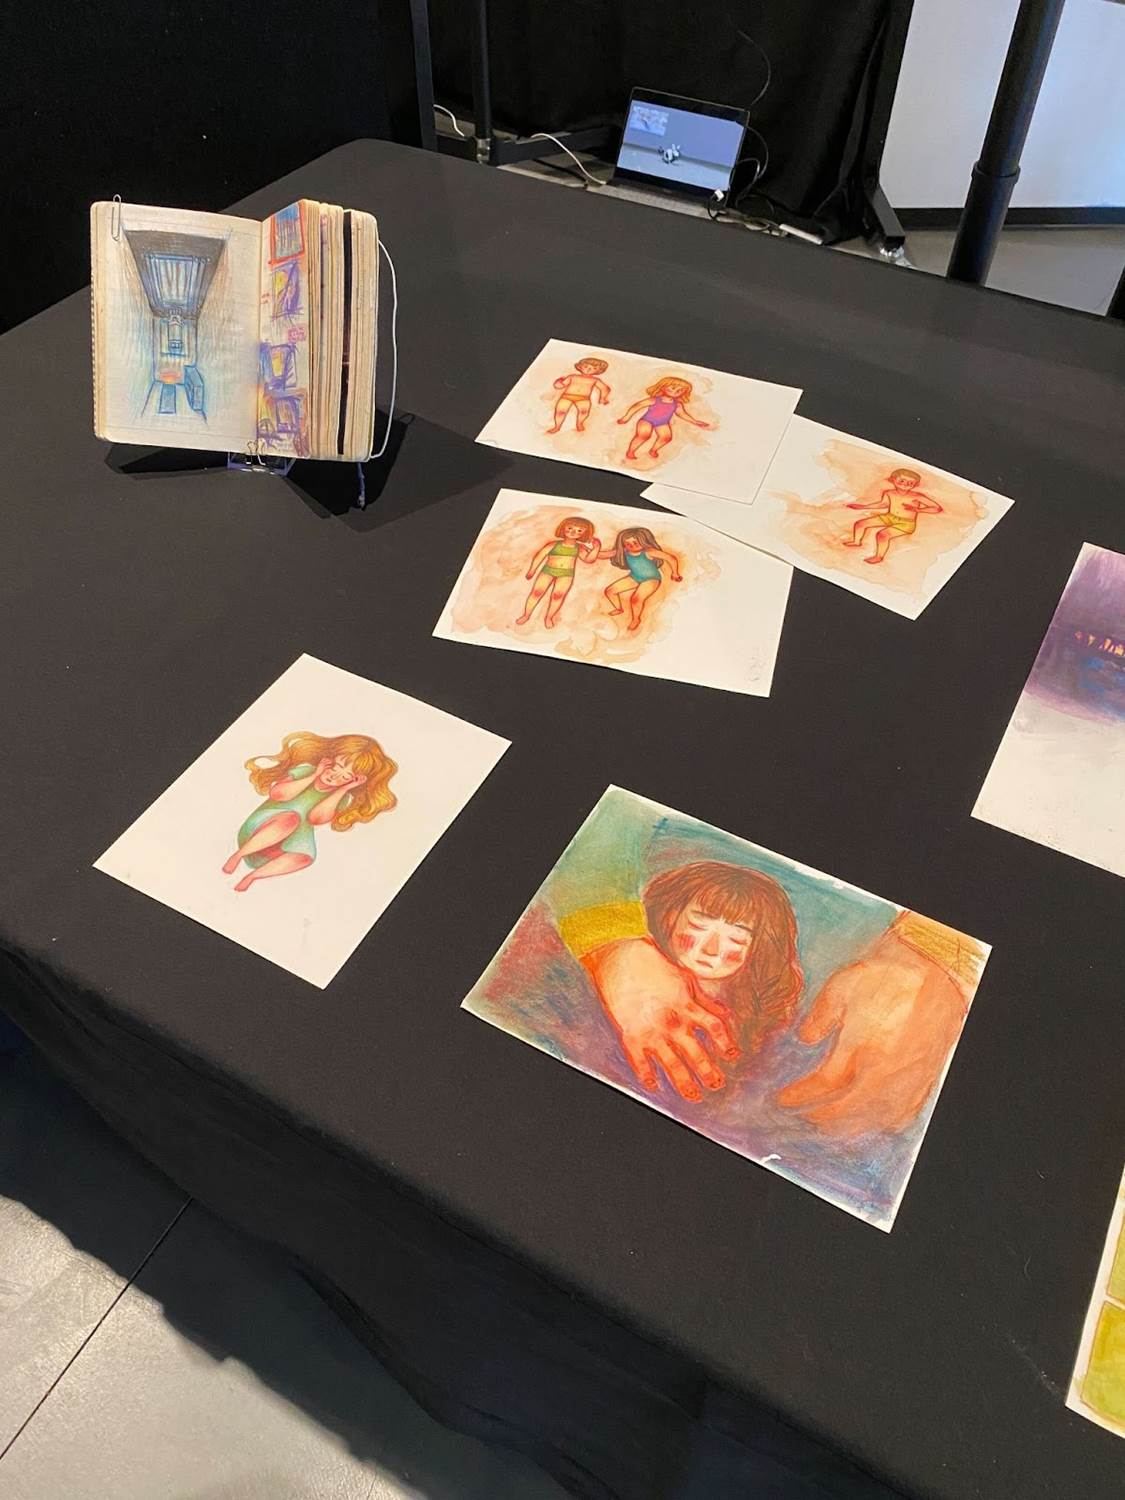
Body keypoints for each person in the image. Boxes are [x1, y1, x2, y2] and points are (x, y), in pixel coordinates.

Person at [222, 731, 397, 891]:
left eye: (346, 776)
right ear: (328, 758)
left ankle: (253, 876)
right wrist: (314, 776)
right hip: (258, 831)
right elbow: (278, 794)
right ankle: (238, 855)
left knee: (305, 857)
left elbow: (316, 818)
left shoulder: (340, 797)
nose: (335, 776)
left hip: (280, 849)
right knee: (290, 819)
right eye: (336, 767)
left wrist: (344, 789)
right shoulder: (306, 770)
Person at [842, 467, 942, 564]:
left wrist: (918, 510)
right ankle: (856, 542)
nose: (905, 485)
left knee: (882, 535)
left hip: (906, 524)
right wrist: (862, 507)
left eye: (910, 483)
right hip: (889, 517)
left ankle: (879, 556)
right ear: (893, 480)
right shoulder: (889, 493)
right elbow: (883, 504)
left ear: (915, 485)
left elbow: (936, 508)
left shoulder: (917, 496)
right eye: (902, 481)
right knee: (860, 523)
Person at [517, 516, 601, 629]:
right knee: (536, 592)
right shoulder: (553, 544)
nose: (573, 532)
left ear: (584, 533)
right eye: (570, 528)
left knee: (558, 596)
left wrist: (596, 548)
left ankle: (549, 617)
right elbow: (540, 556)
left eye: (579, 530)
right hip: (548, 571)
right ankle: (526, 615)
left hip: (566, 574)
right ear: (563, 528)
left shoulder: (579, 547)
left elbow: (588, 559)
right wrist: (532, 570)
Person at [596, 526, 682, 631]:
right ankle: (619, 608)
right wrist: (591, 551)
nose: (631, 546)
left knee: (636, 599)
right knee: (610, 591)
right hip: (635, 577)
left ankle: (636, 619)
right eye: (628, 544)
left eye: (635, 543)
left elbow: (670, 558)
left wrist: (675, 573)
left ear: (643, 541)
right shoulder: (624, 551)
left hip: (651, 579)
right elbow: (603, 555)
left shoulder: (649, 551)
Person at [617, 376, 712, 460]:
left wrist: (695, 422)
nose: (676, 391)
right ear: (662, 387)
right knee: (643, 435)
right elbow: (637, 406)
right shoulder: (654, 400)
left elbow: (683, 414)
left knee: (666, 438)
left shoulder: (677, 404)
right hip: (647, 421)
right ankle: (630, 451)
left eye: (680, 390)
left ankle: (653, 450)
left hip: (662, 423)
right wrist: (626, 417)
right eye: (673, 388)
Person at [548, 356, 611, 433]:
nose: (589, 369)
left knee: (584, 412)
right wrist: (558, 382)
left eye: (594, 368)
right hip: (567, 396)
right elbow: (560, 386)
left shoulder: (595, 380)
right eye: (586, 366)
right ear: (580, 367)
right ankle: (557, 427)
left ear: (598, 371)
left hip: (583, 398)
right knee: (560, 412)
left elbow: (605, 388)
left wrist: (603, 398)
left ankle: (579, 423)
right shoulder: (572, 376)